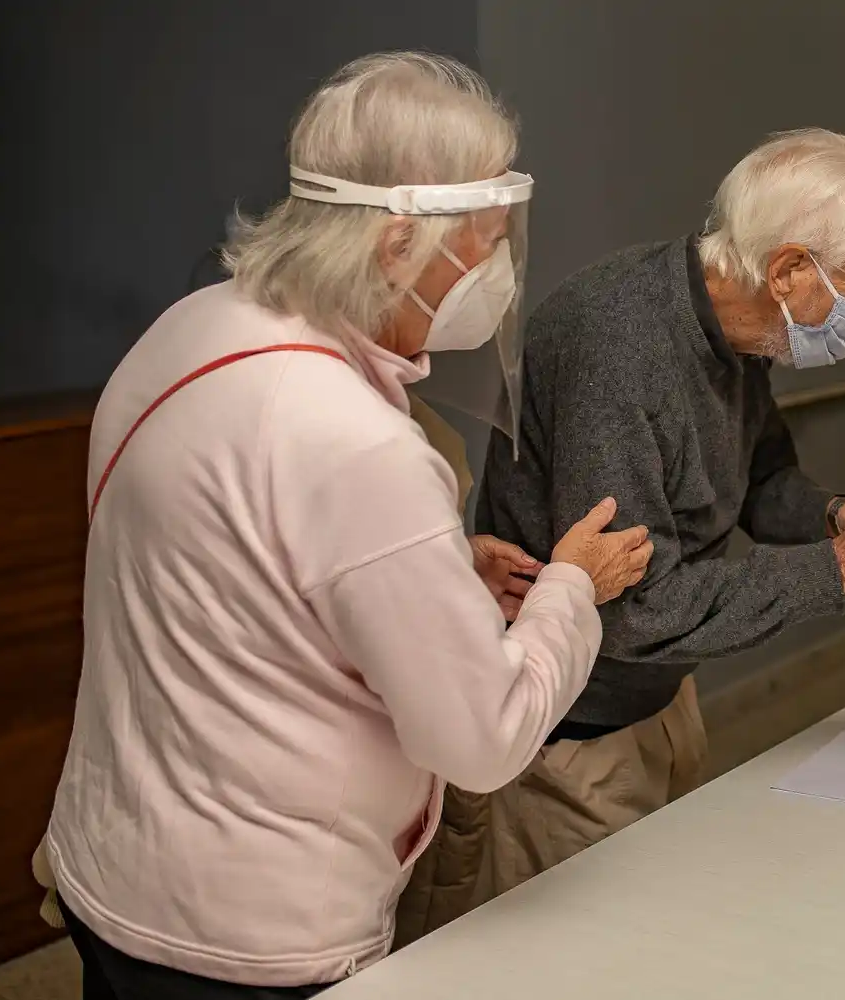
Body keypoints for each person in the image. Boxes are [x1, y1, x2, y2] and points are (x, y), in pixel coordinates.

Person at [40, 52, 653, 998]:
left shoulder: (191, 328)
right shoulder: (359, 444)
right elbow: (483, 740)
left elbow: (235, 563)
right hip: (252, 938)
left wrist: (431, 573)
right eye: (486, 242)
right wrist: (571, 588)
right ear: (397, 244)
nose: (498, 273)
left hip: (116, 871)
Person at [397, 127, 845, 931]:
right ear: (789, 270)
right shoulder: (618, 344)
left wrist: (842, 516)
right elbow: (634, 610)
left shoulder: (738, 327)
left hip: (664, 702)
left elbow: (762, 482)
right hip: (571, 743)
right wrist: (839, 567)